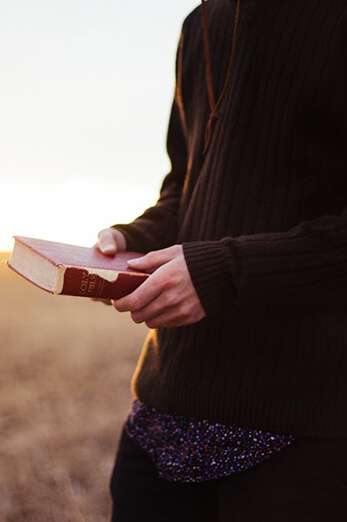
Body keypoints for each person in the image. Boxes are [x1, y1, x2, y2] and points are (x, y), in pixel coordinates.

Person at [95, 0, 347, 520]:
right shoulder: (200, 22)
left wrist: (223, 273)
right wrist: (134, 236)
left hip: (302, 431)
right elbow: (184, 184)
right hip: (161, 415)